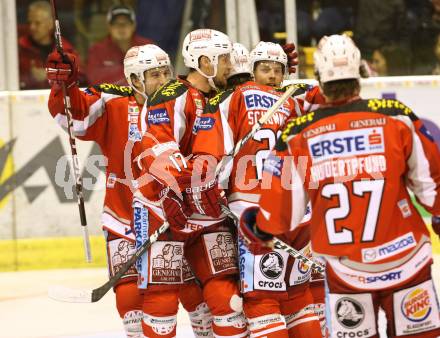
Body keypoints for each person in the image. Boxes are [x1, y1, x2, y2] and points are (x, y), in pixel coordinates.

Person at [242, 34, 440, 338]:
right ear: (360, 74)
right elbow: (432, 183)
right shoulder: (395, 115)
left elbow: (280, 210)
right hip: (407, 262)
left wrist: (260, 226)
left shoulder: (298, 134)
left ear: (319, 78)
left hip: (346, 272)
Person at [45, 44, 209, 338]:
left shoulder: (183, 98)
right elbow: (73, 117)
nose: (163, 80)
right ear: (134, 80)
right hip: (124, 216)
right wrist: (64, 84)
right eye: (153, 75)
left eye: (165, 73)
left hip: (175, 216)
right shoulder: (112, 100)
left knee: (198, 302)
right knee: (130, 302)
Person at [192, 41, 322, 338]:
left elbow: (209, 151)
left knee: (262, 301)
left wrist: (203, 182)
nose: (274, 75)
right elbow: (325, 95)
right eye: (267, 69)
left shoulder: (233, 97)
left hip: (253, 215)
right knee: (298, 298)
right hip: (295, 210)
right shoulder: (294, 101)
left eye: (278, 70)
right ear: (251, 70)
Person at [133, 29, 248, 338]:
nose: (229, 65)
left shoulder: (223, 99)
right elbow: (156, 146)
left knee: (227, 298)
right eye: (223, 59)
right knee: (162, 298)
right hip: (161, 206)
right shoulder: (172, 94)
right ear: (204, 61)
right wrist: (178, 186)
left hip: (206, 209)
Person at [18, 0, 81, 89]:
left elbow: (81, 78)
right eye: (29, 23)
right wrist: (31, 78)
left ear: (50, 24)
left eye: (37, 23)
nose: (32, 27)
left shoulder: (66, 50)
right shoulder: (19, 49)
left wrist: (51, 75)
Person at [86, 4, 153, 85]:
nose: (121, 28)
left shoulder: (148, 47)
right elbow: (94, 79)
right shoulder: (97, 50)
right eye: (116, 24)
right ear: (109, 27)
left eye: (126, 23)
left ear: (133, 26)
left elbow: (158, 75)